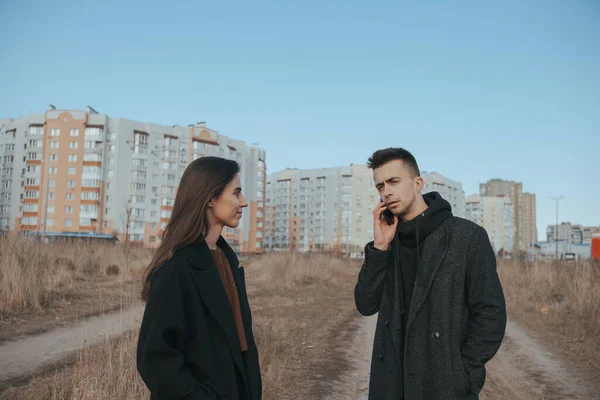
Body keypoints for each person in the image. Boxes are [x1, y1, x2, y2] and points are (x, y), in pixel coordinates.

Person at [354, 147, 506, 400]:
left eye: (393, 181)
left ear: (418, 183)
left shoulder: (466, 237)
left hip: (444, 385)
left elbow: (491, 313)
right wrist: (379, 248)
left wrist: (462, 371)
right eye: (380, 186)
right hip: (391, 384)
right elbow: (366, 305)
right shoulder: (388, 240)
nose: (386, 191)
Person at [137, 156, 262, 400]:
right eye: (236, 193)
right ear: (209, 198)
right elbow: (155, 356)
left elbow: (239, 344)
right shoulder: (177, 266)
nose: (244, 202)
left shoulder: (228, 261)